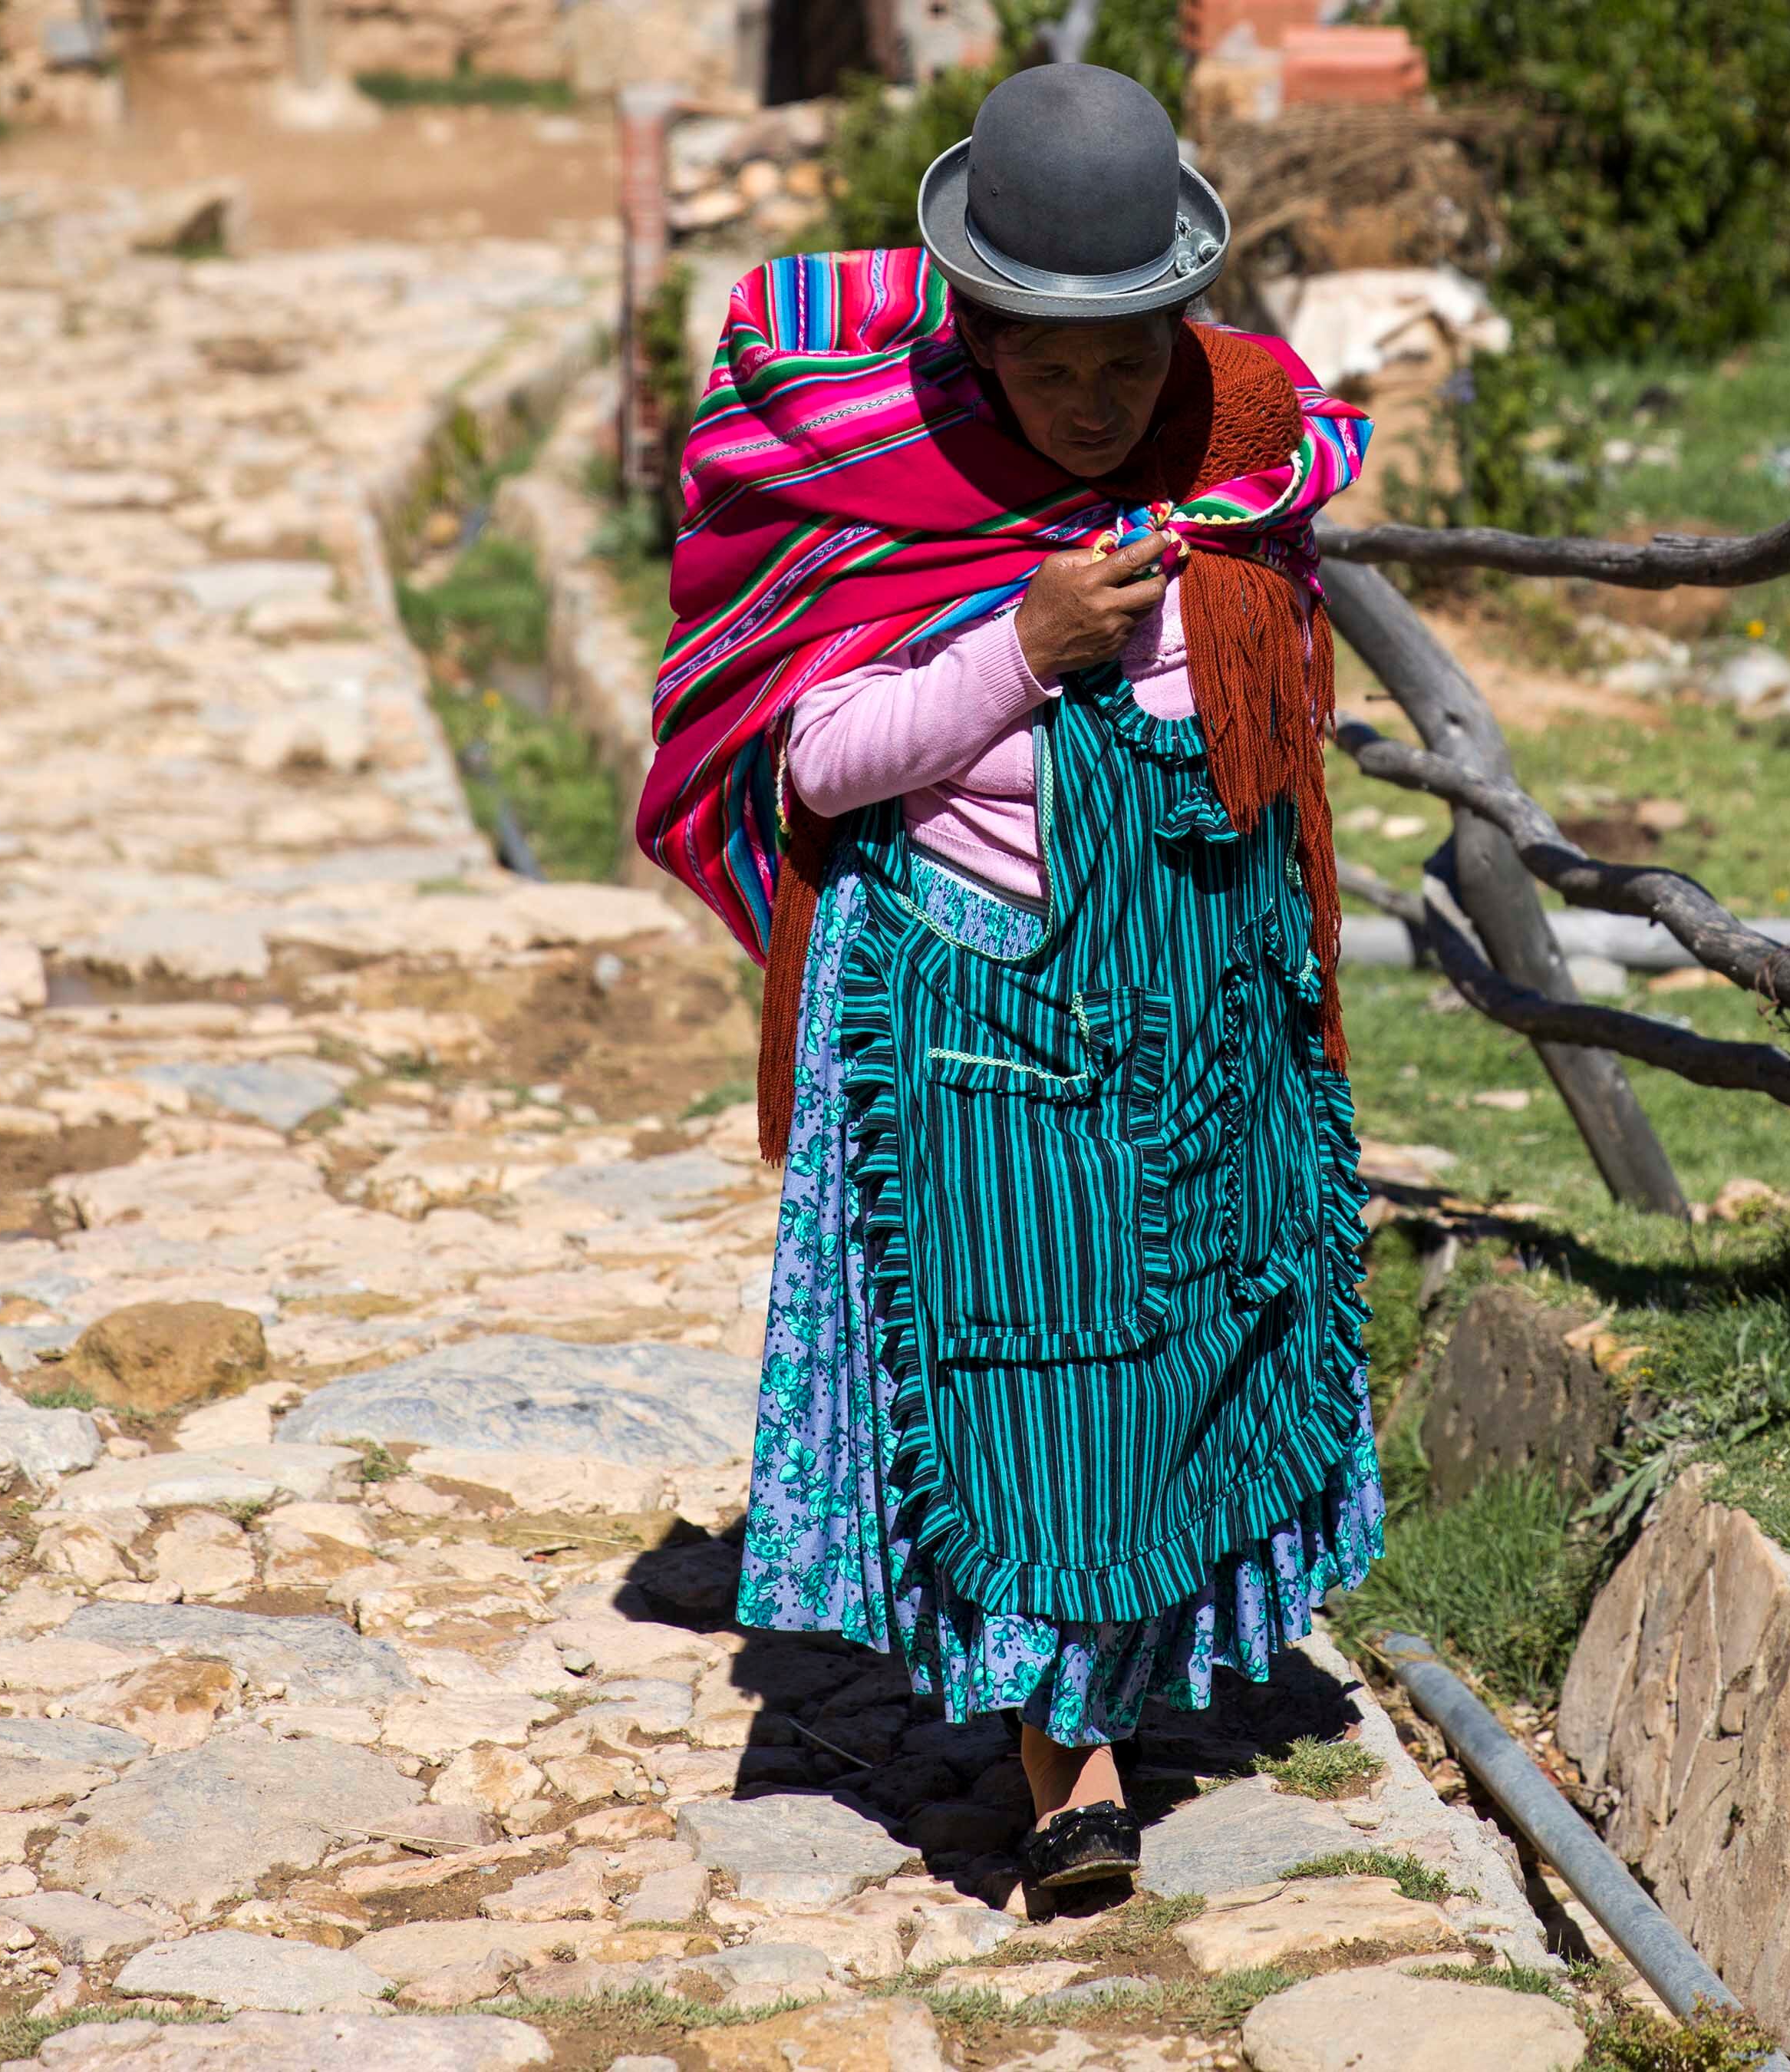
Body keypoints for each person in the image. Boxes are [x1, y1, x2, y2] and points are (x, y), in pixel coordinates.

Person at [638, 63, 1383, 1894]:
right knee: (1031, 1377)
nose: (1084, 399)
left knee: (1180, 1358)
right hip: (981, 1019)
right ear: (972, 332)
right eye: (1044, 363)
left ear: (1177, 328)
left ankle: (1133, 1662)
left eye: (1121, 361)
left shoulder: (1230, 462)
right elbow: (812, 764)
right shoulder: (877, 482)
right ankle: (1074, 1773)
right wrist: (1025, 650)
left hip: (1192, 1001)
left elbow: (1275, 700)